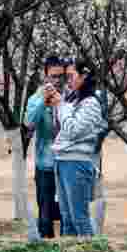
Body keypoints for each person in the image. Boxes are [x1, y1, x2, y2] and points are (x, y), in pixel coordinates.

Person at [50, 58, 106, 238]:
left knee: (79, 217)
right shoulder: (73, 100)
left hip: (77, 163)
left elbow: (73, 131)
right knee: (66, 218)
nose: (68, 80)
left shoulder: (91, 103)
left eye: (71, 76)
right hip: (62, 161)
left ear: (84, 76)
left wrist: (60, 105)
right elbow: (63, 129)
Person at [24, 55, 68, 238]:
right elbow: (28, 123)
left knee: (67, 211)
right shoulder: (36, 98)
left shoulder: (68, 96)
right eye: (54, 76)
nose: (58, 81)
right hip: (46, 164)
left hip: (67, 162)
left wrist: (61, 104)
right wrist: (44, 101)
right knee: (45, 213)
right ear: (46, 76)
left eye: (61, 76)